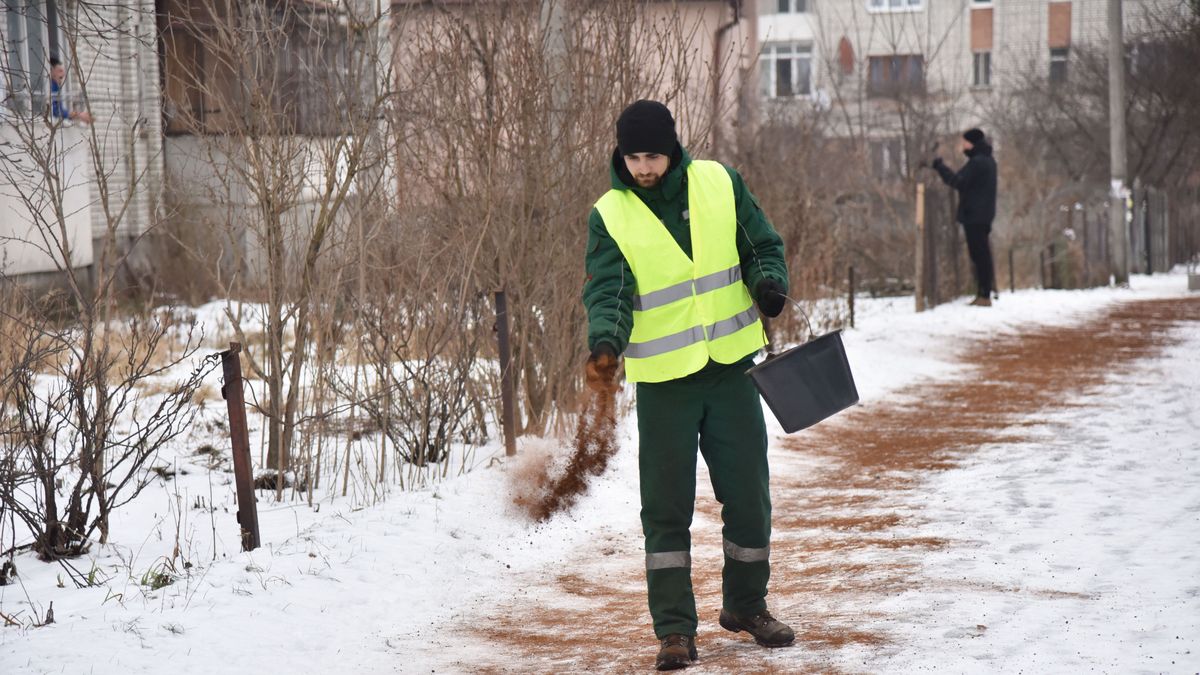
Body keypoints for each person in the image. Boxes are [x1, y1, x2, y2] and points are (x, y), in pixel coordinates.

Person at [582, 100, 794, 671]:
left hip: (730, 372)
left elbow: (760, 246)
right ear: (620, 157)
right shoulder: (612, 213)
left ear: (672, 149)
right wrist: (605, 340)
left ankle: (747, 606)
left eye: (652, 155)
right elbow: (609, 289)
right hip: (665, 387)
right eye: (633, 158)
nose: (643, 168)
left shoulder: (719, 183)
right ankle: (675, 630)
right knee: (666, 509)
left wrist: (769, 284)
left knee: (749, 497)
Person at [931, 128, 997, 306]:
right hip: (983, 215)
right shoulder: (989, 161)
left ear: (971, 143)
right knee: (982, 254)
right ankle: (985, 292)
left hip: (974, 215)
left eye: (965, 142)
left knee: (979, 255)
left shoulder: (977, 163)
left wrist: (940, 167)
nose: (962, 146)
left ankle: (984, 294)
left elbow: (958, 181)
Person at [49, 57, 92, 124]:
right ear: (51, 71)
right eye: (60, 71)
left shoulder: (56, 87)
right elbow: (54, 111)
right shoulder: (50, 87)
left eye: (63, 71)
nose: (63, 74)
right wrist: (77, 115)